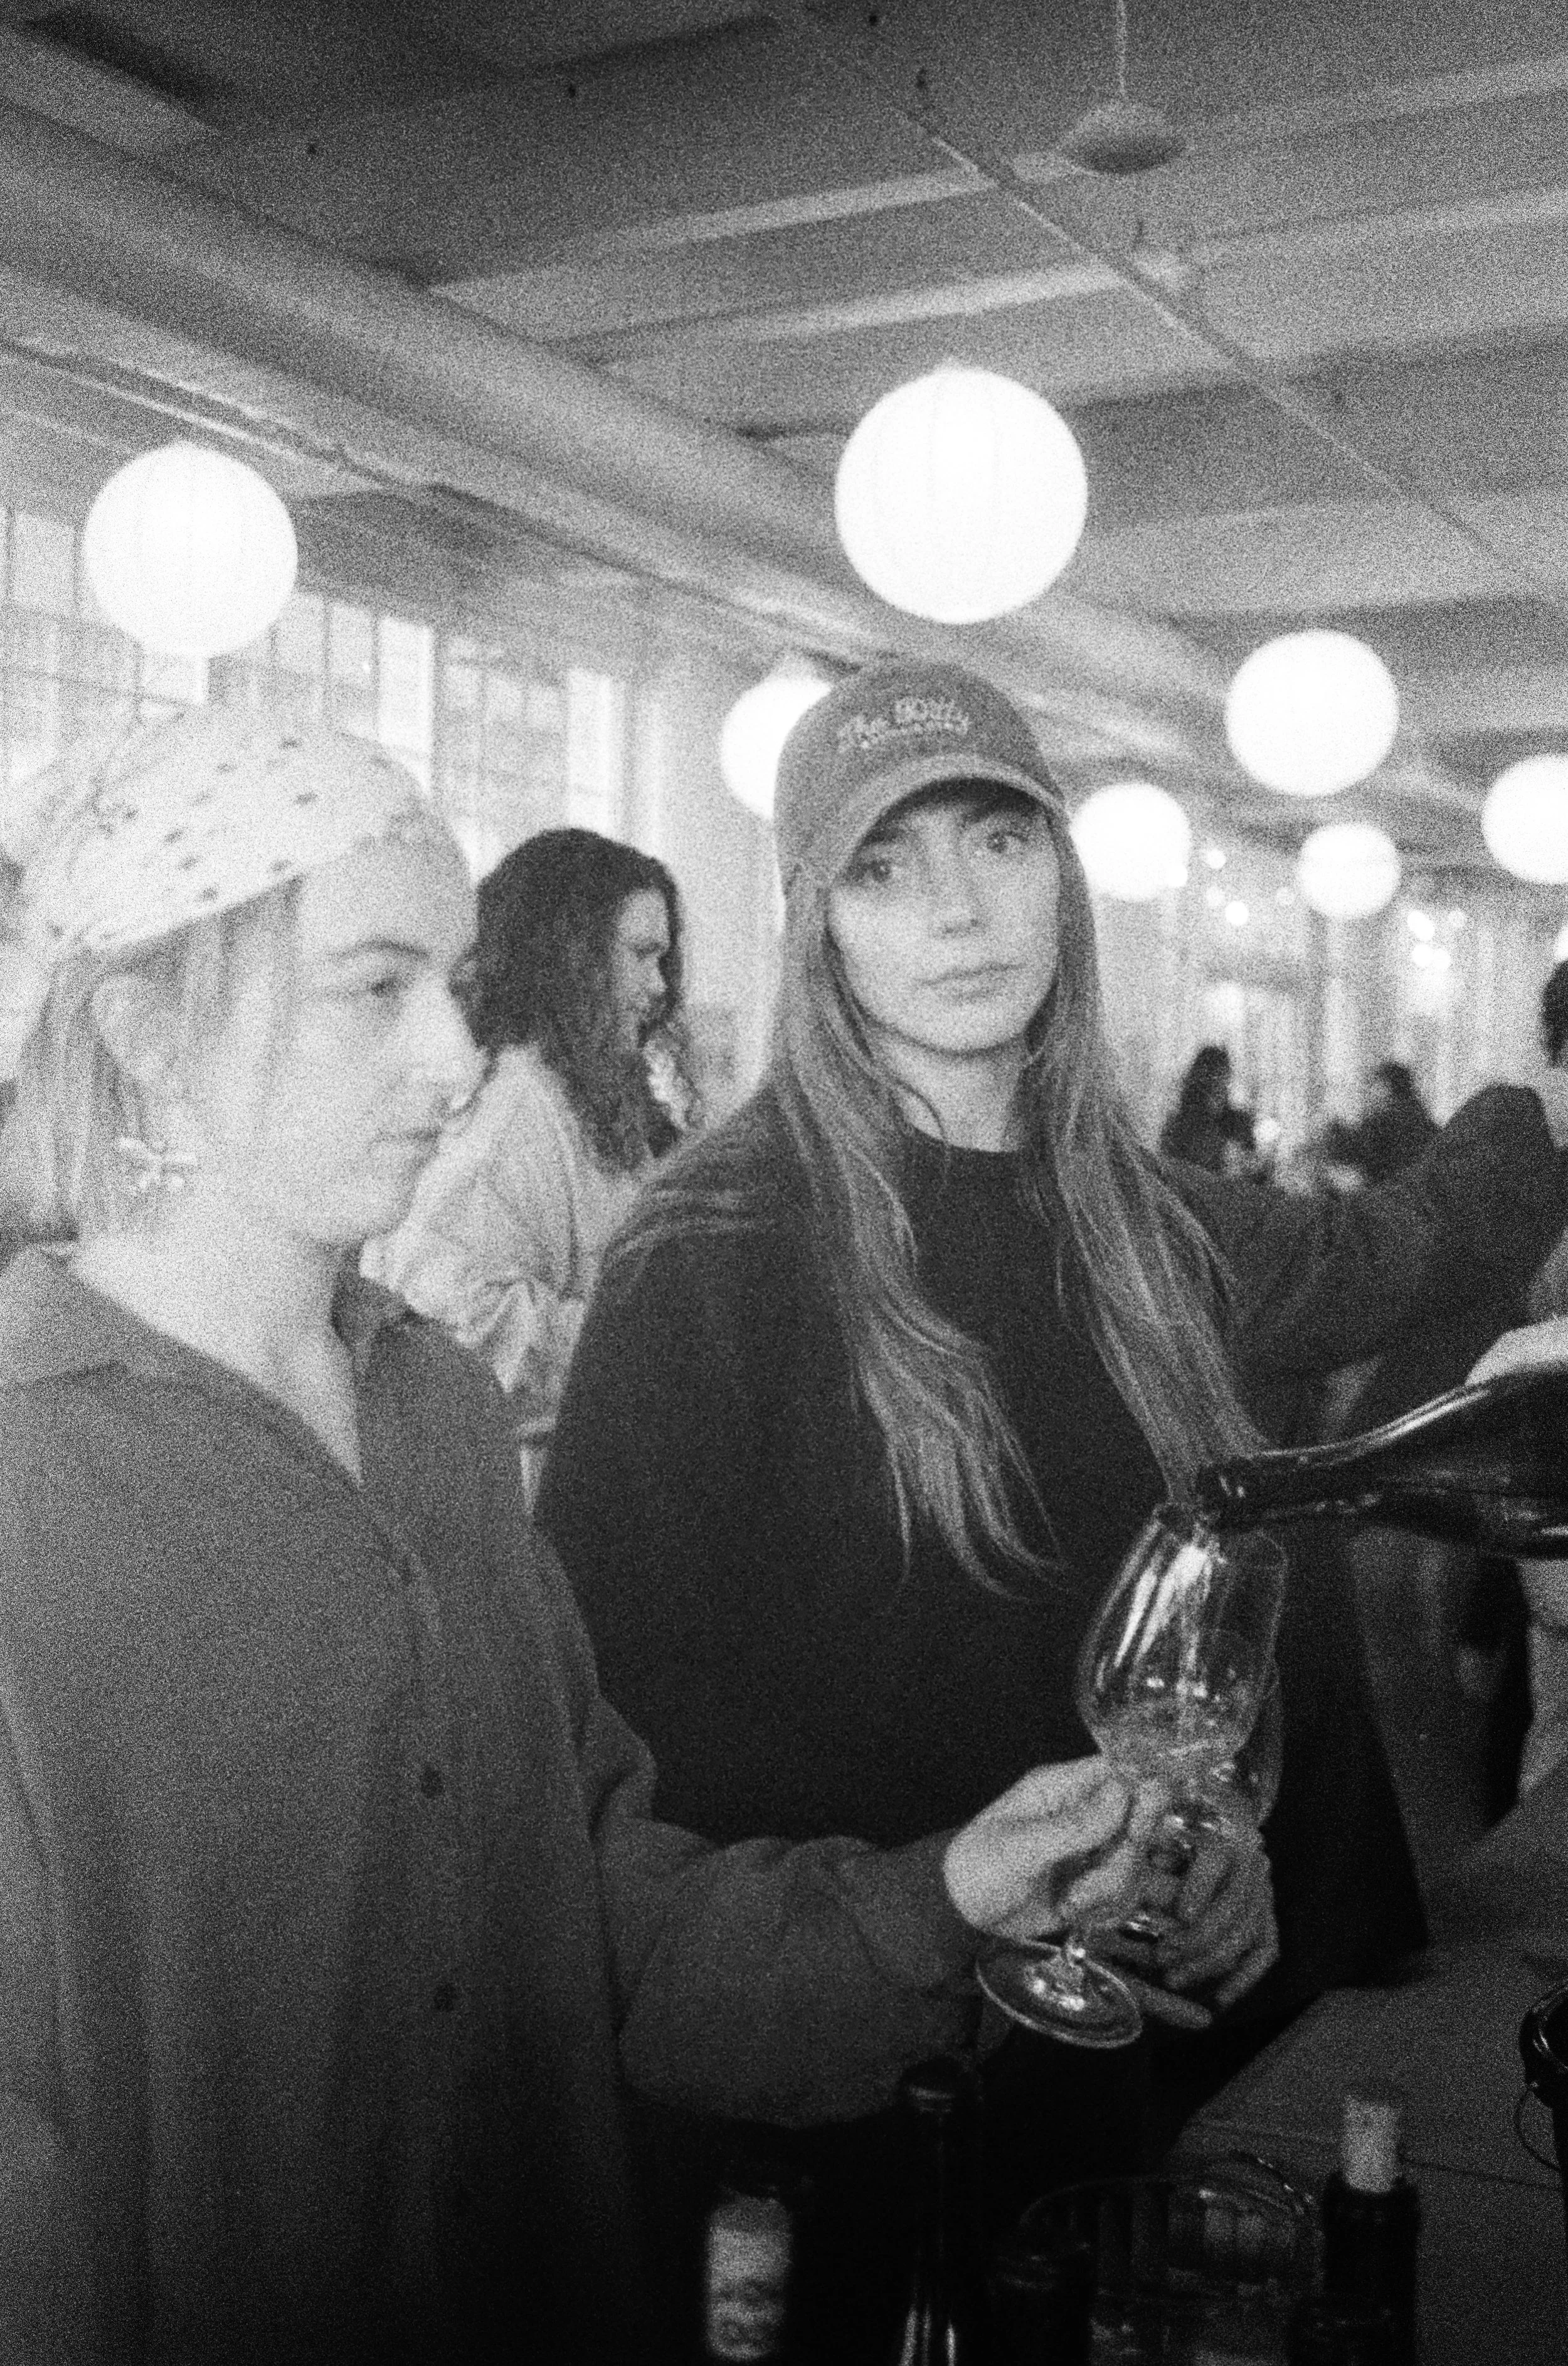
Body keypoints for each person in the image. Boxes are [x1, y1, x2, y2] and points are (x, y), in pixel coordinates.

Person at [0, 704, 1231, 2365]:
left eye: (448, 981)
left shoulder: (429, 1414)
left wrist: (946, 1894)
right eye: (377, 986)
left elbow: (601, 1925)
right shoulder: (32, 1483)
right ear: (147, 1028)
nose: (452, 1060)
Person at [536, 657, 1568, 2355]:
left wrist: (1206, 1839)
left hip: (1092, 2074)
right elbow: (616, 1772)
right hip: (816, 2098)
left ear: (1062, 880)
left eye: (995, 840)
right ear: (819, 930)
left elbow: (1178, 1620)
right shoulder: (708, 1256)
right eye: (883, 866)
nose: (953, 907)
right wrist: (940, 1895)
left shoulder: (1147, 1233)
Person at [363, 825, 697, 1493]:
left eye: (662, 958)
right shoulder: (519, 1105)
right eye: (639, 954)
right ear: (570, 958)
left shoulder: (578, 1099)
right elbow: (444, 1310)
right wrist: (662, 1337)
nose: (658, 984)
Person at [1321, 1058, 1439, 1189]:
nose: (1370, 1092)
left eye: (1375, 1085)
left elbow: (1351, 1152)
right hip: (1418, 1190)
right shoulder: (1420, 1116)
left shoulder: (1385, 1120)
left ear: (1386, 1087)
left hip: (1391, 1193)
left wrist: (1333, 1128)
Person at [1159, 1043, 1260, 1178]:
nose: (1220, 1086)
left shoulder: (1239, 1123)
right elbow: (1170, 1171)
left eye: (1223, 1078)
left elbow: (1254, 1170)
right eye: (1213, 1079)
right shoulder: (1180, 1127)